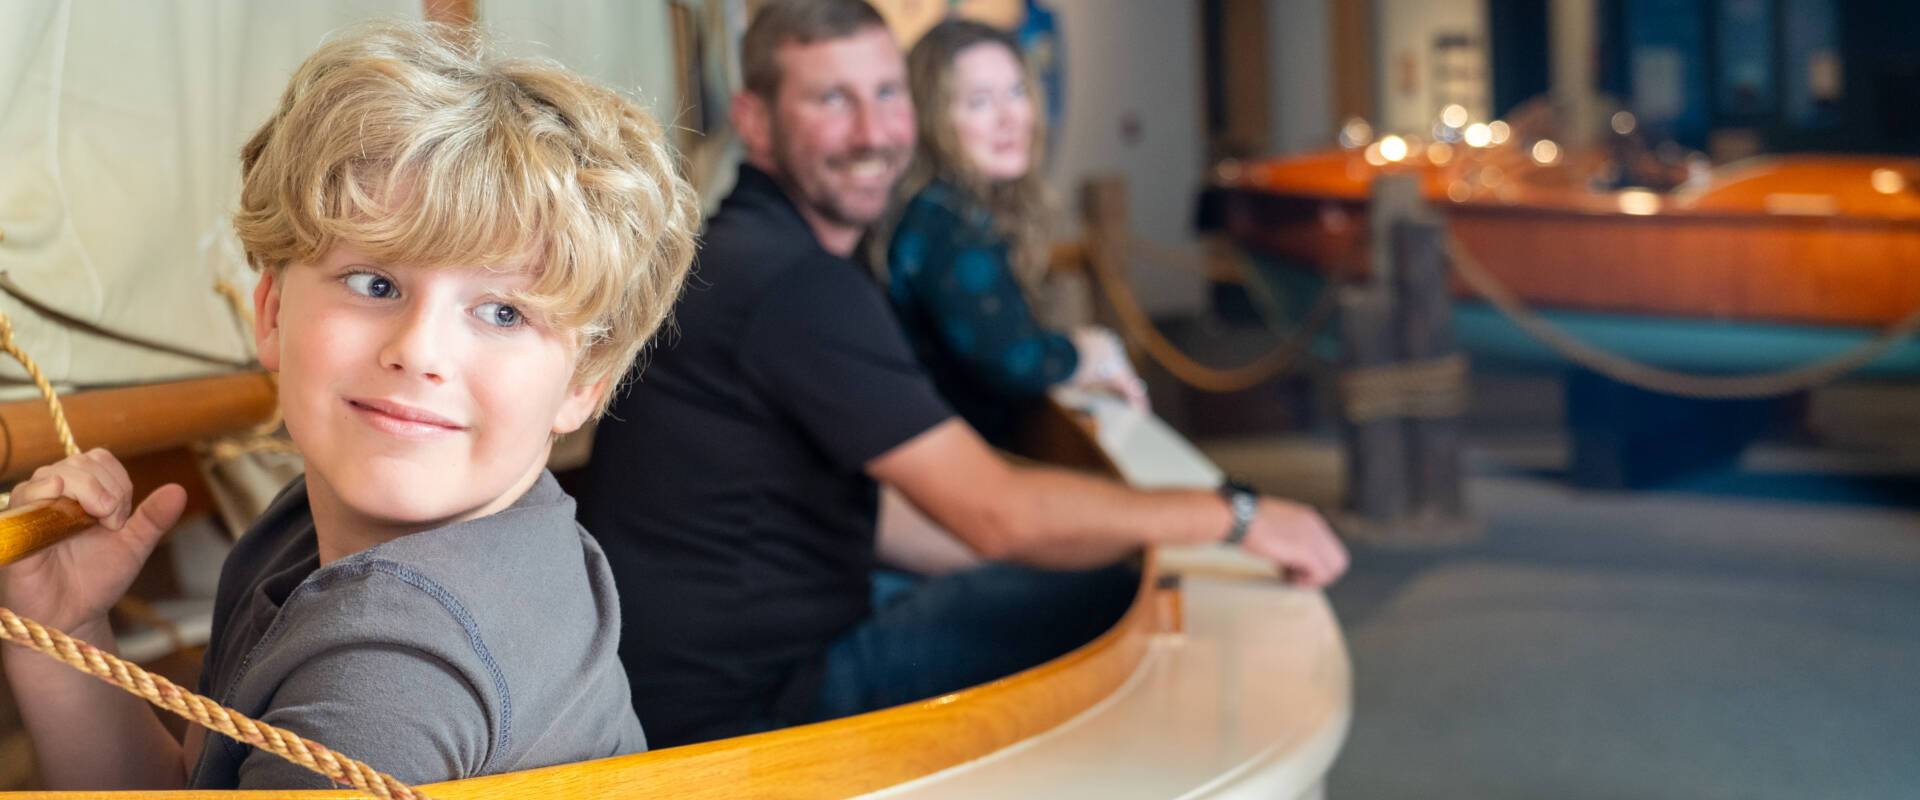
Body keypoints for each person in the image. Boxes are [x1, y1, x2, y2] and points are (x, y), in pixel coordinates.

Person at [577, 0, 1347, 750]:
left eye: (887, 94)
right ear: (754, 122)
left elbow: (883, 516)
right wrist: (1236, 516)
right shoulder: (793, 284)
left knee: (1107, 579)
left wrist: (1099, 535)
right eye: (831, 101)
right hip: (756, 709)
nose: (874, 131)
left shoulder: (755, 251)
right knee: (1131, 616)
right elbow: (999, 514)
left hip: (717, 668)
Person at [0, 22, 697, 790]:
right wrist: (61, 631)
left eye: (502, 312)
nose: (419, 352)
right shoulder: (324, 529)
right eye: (376, 283)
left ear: (581, 386)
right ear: (270, 314)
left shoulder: (387, 675)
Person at [877, 18, 1141, 446]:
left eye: (1017, 92)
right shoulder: (950, 221)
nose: (1009, 117)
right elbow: (1012, 361)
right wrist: (1090, 353)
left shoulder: (939, 208)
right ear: (930, 118)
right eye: (979, 102)